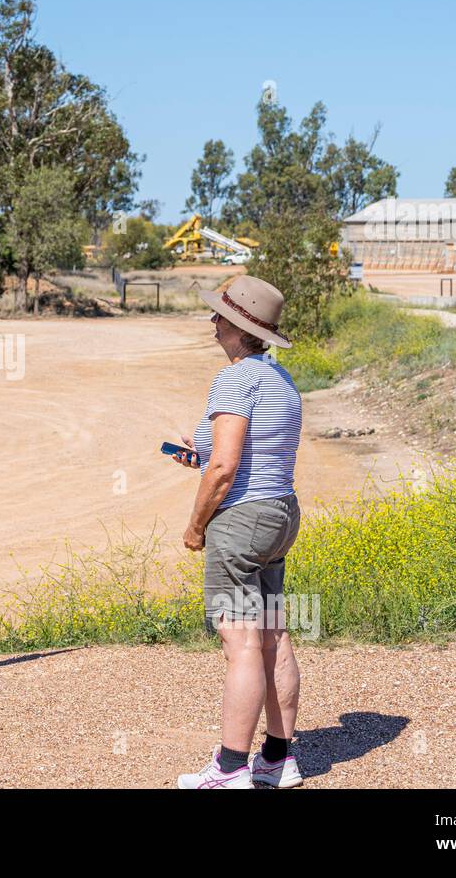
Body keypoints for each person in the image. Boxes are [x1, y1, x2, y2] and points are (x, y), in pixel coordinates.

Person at [173, 275, 304, 790]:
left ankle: (230, 768)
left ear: (238, 325)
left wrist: (195, 523)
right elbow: (246, 455)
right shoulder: (280, 378)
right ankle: (277, 759)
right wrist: (199, 456)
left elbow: (226, 468)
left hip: (242, 519)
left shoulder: (234, 378)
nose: (212, 321)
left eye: (219, 315)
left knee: (241, 643)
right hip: (279, 512)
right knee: (273, 634)